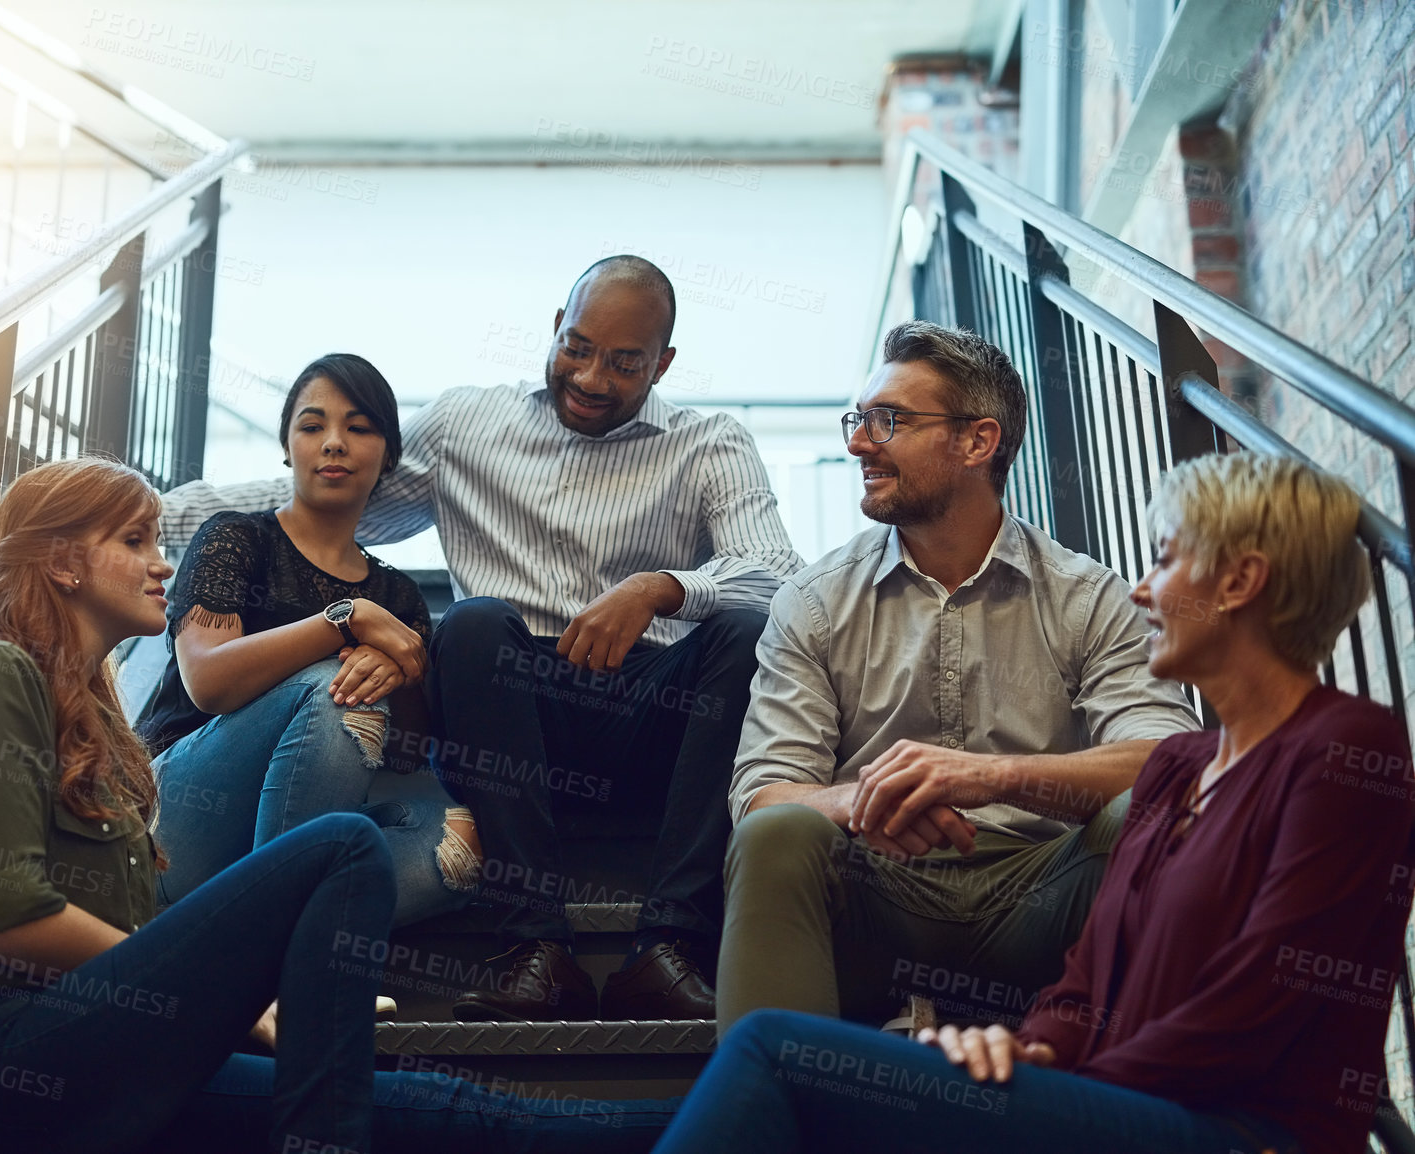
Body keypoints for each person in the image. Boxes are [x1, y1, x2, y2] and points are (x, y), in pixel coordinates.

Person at [0, 456, 680, 1154]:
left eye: (157, 541)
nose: (161, 565)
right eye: (133, 543)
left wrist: (246, 1013)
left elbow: (136, 938)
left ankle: (748, 1121)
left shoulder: (92, 724)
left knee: (449, 1114)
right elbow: (8, 919)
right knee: (341, 849)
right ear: (60, 563)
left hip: (97, 1053)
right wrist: (231, 992)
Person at [655, 451, 1414, 1154]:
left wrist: (1048, 1090)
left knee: (774, 1057)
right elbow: (1085, 985)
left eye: (1166, 561)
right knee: (799, 1073)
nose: (1143, 590)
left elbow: (1254, 1013)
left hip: (1245, 1129)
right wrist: (1025, 1048)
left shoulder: (1348, 753)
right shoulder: (1179, 769)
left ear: (1241, 582)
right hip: (1119, 1103)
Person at [163, 256, 802, 1022]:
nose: (593, 377)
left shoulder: (710, 443)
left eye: (625, 363)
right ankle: (535, 947)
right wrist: (151, 513)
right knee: (468, 624)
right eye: (578, 347)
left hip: (651, 707)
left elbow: (775, 571)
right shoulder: (469, 423)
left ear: (662, 364)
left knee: (744, 626)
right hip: (510, 705)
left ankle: (670, 947)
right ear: (555, 331)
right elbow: (329, 494)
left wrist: (662, 587)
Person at [717, 321, 1198, 1037]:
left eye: (888, 421)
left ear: (978, 441)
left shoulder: (1086, 596)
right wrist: (868, 799)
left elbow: (1171, 764)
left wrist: (986, 777)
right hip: (876, 894)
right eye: (857, 419)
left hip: (1042, 895)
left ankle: (1166, 1113)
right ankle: (780, 1115)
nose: (857, 443)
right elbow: (763, 794)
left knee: (1154, 815)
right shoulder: (814, 601)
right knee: (777, 834)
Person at [138, 354, 481, 926]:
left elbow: (403, 753)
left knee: (464, 843)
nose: (334, 443)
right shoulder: (235, 537)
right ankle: (281, 952)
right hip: (178, 821)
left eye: (360, 428)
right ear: (287, 445)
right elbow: (207, 681)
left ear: (389, 454)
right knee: (335, 685)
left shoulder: (398, 598)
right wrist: (343, 621)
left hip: (297, 825)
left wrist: (403, 669)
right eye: (312, 425)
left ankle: (246, 933)